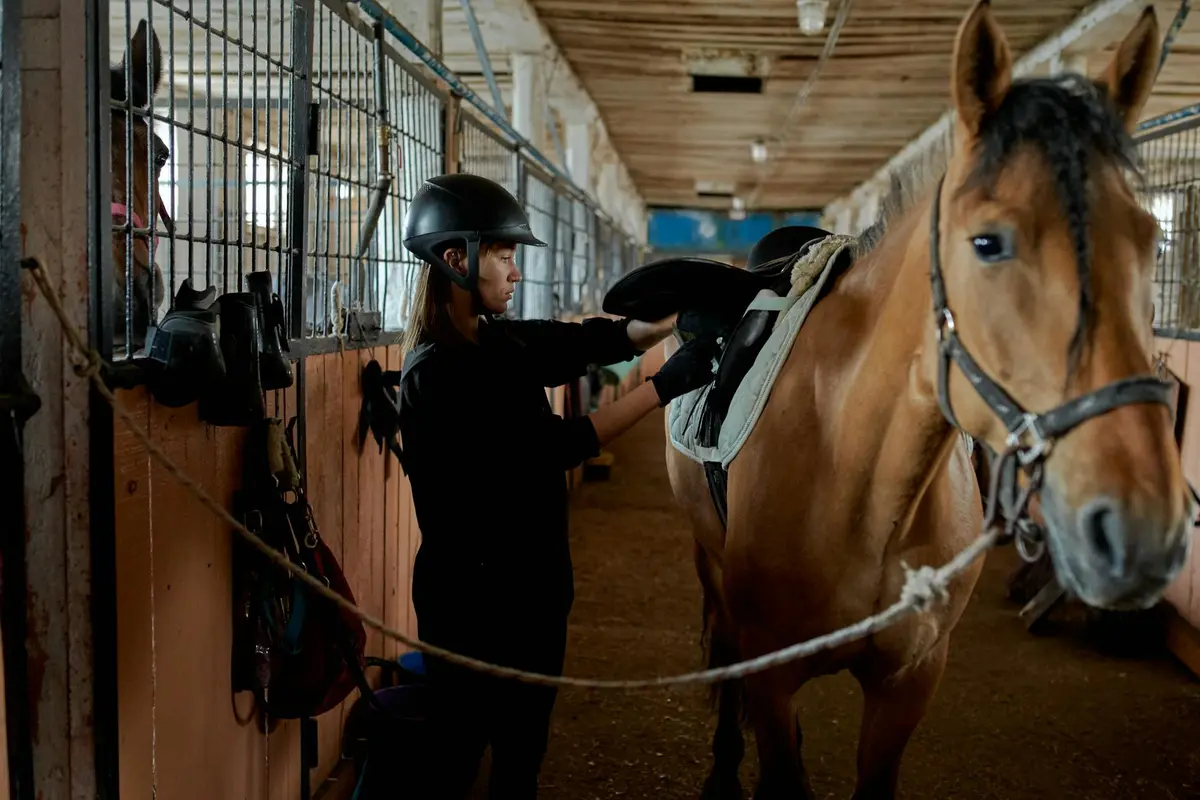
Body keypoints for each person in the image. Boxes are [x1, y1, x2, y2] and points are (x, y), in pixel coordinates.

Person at [396, 173, 718, 798]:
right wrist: (662, 387)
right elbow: (554, 448)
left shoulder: (497, 338)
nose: (515, 273)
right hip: (472, 603)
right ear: (455, 258)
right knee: (456, 760)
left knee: (522, 755)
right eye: (504, 256)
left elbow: (579, 343)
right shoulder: (436, 376)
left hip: (534, 592)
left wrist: (670, 320)